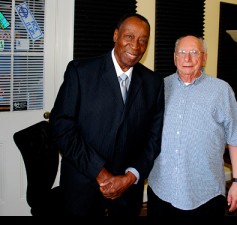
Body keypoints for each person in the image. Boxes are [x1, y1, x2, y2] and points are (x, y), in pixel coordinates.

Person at [49, 13, 164, 217]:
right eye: (129, 37)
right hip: (82, 186)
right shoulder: (80, 72)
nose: (136, 46)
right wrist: (101, 174)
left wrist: (129, 178)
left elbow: (153, 141)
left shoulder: (153, 84)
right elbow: (62, 128)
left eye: (143, 40)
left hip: (128, 191)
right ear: (116, 35)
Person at [147, 35, 237, 217]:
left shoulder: (221, 90)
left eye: (194, 52)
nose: (187, 59)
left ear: (204, 58)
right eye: (182, 53)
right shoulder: (160, 87)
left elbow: (235, 138)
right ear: (174, 57)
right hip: (162, 190)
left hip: (205, 194)